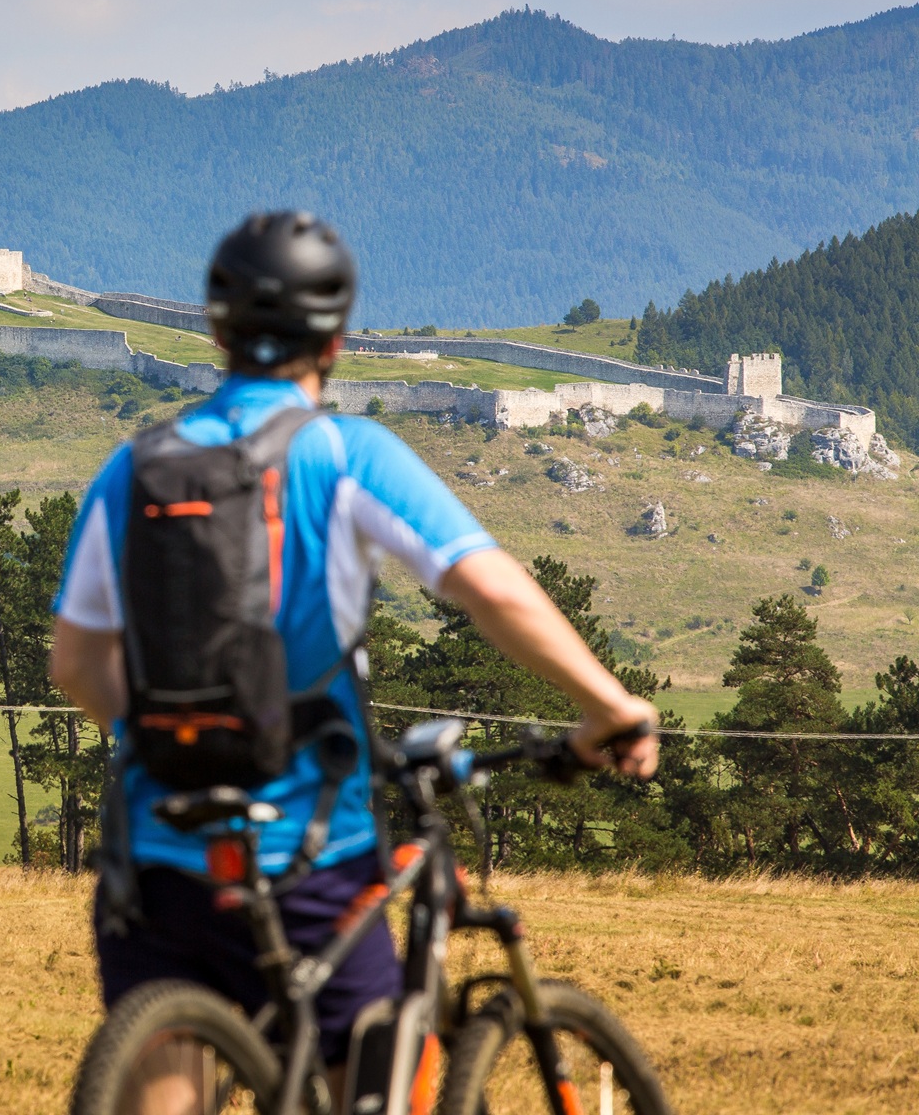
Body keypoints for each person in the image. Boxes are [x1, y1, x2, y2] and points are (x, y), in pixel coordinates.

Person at [49, 211, 659, 1112]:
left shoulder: (131, 470)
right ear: (334, 343)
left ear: (213, 334)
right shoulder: (340, 455)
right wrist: (611, 706)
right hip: (310, 857)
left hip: (156, 856)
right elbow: (489, 588)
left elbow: (74, 663)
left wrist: (167, 742)